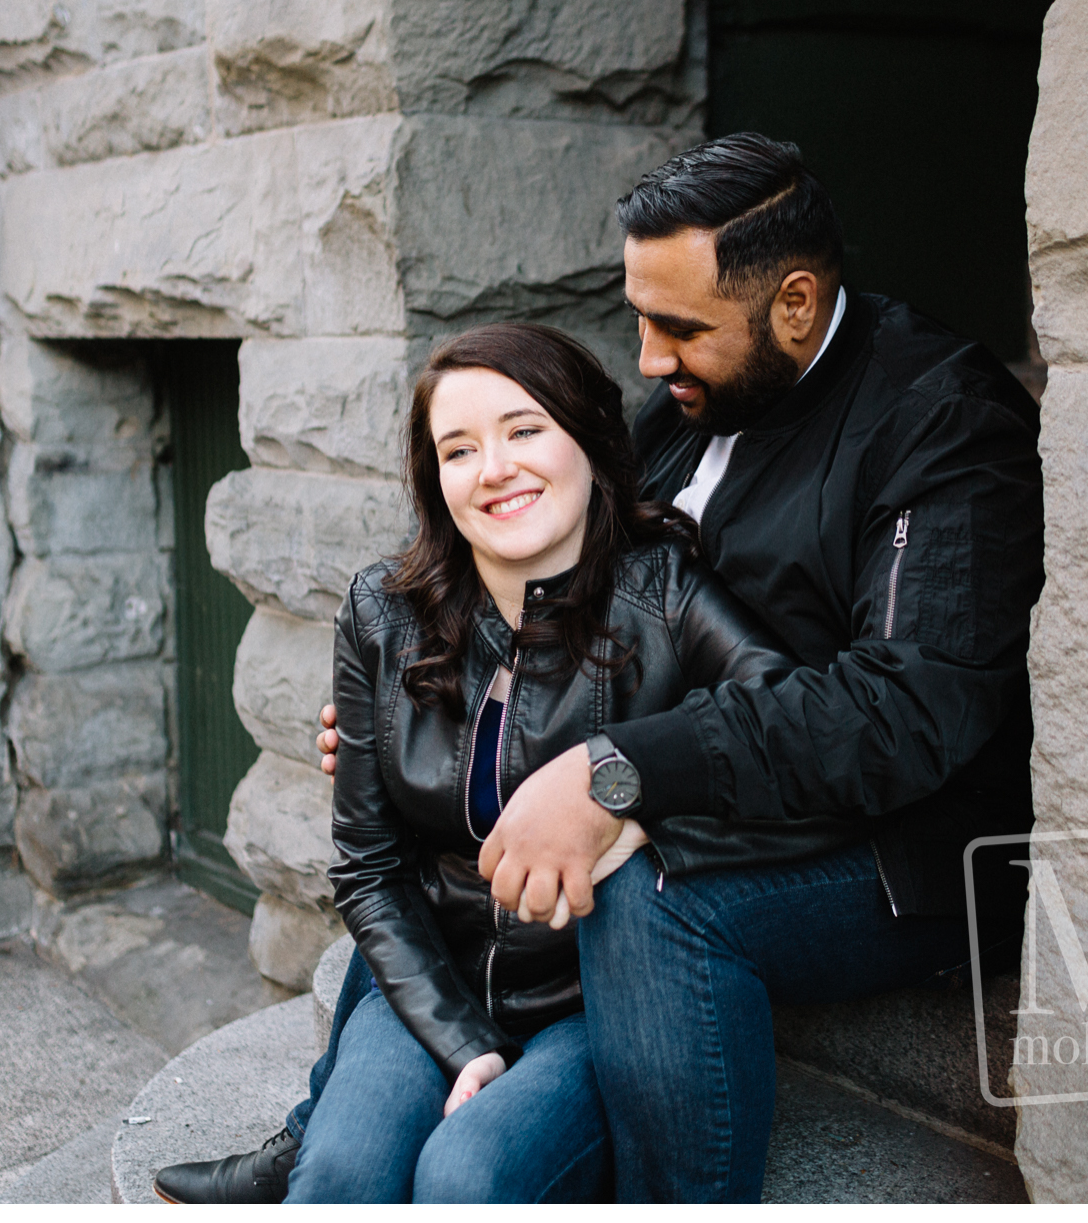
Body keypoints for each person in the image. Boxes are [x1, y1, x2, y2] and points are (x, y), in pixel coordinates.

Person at [159, 133, 1043, 1203]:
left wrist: (614, 770)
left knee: (645, 885)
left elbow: (901, 716)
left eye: (677, 327)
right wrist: (420, 702)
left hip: (897, 844)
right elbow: (582, 574)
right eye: (638, 318)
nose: (649, 358)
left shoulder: (939, 419)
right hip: (723, 768)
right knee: (430, 812)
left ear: (796, 303)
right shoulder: (689, 406)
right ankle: (322, 1132)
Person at [161, 323, 794, 1204]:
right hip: (434, 976)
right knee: (341, 1177)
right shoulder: (383, 614)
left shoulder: (668, 596)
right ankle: (310, 1140)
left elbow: (793, 734)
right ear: (436, 482)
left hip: (595, 999)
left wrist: (635, 802)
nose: (494, 467)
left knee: (468, 1176)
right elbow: (370, 869)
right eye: (458, 449)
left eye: (525, 429)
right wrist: (463, 1043)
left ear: (590, 442)